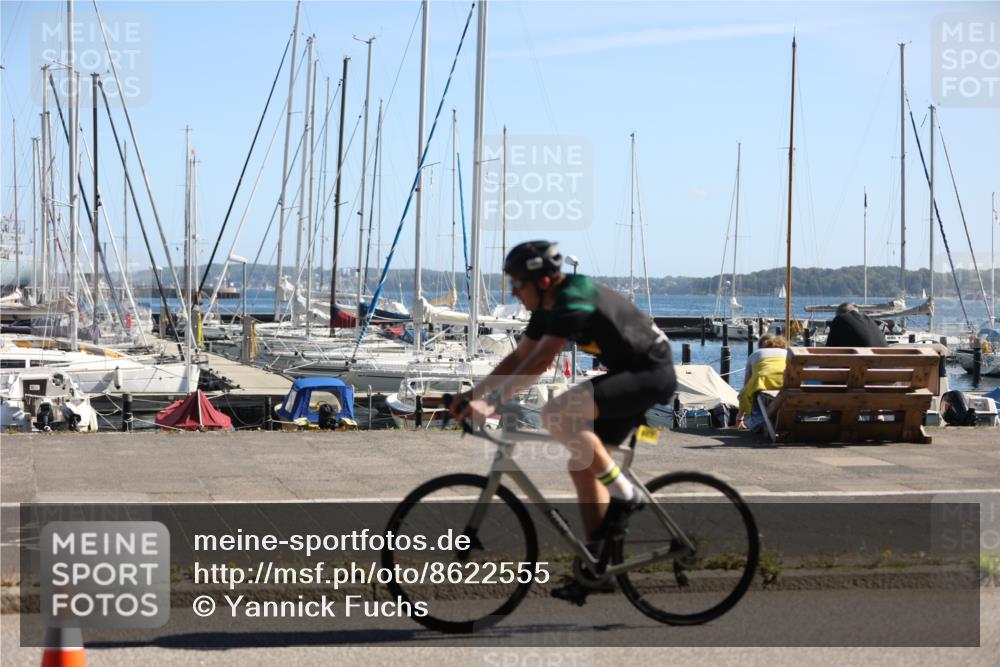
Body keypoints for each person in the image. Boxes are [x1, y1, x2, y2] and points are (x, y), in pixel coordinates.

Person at [451, 240, 677, 604]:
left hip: (651, 374)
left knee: (556, 413)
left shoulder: (573, 298)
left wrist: (491, 402)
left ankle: (626, 493)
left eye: (517, 283)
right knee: (582, 466)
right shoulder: (547, 307)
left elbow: (540, 362)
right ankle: (598, 565)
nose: (513, 291)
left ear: (543, 281)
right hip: (628, 374)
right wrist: (474, 393)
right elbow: (520, 358)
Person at [736, 335, 788, 430]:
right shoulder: (786, 353)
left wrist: (740, 419)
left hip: (762, 383)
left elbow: (746, 384)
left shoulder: (756, 354)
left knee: (749, 392)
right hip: (786, 384)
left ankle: (759, 421)